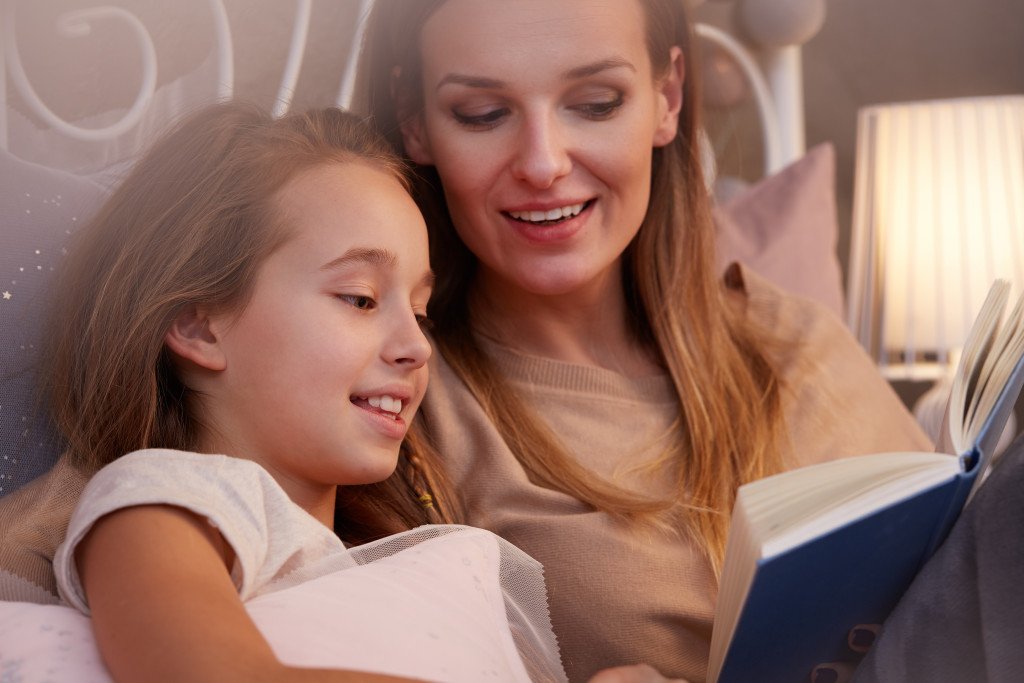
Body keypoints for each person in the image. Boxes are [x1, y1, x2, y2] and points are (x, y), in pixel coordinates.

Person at [339, 1, 933, 681]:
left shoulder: (795, 339)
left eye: (595, 102)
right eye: (482, 113)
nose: (543, 162)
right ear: (413, 118)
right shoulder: (399, 405)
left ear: (667, 96)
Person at [32, 101, 580, 683]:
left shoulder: (373, 560)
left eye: (420, 314)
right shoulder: (159, 503)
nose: (417, 348)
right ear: (199, 324)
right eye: (361, 298)